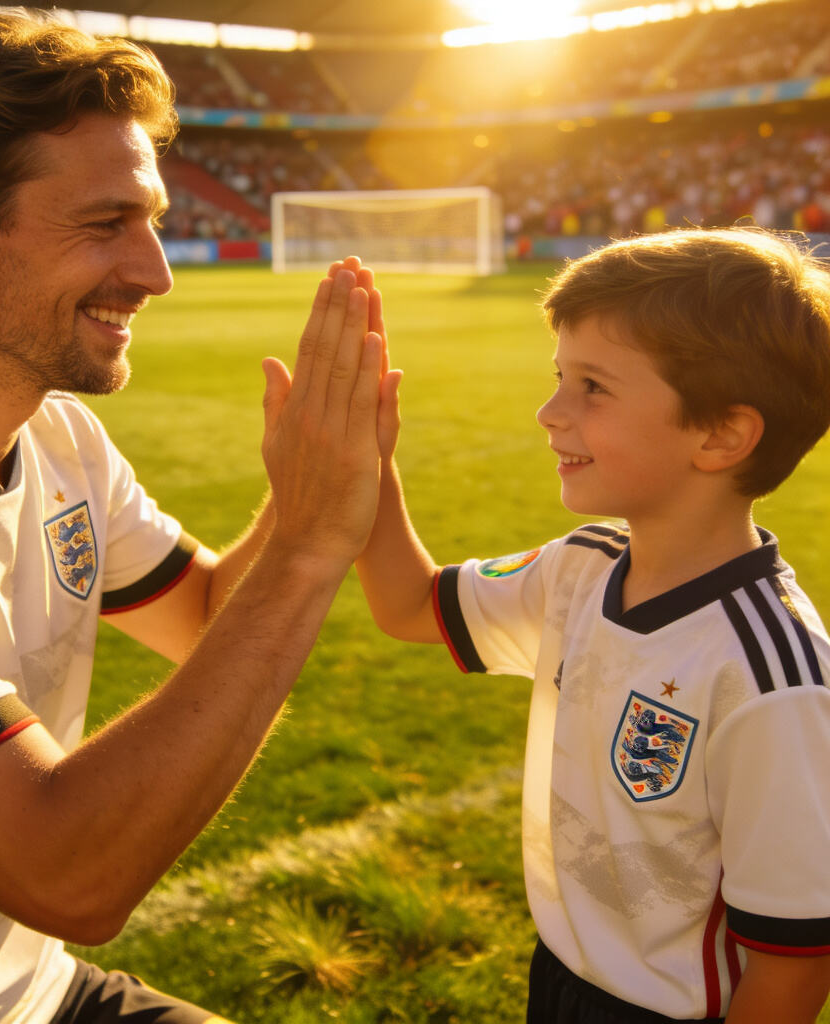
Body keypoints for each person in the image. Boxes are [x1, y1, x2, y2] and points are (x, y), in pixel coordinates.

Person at [0, 12, 388, 1024]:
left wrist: (307, 499)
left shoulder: (63, 439)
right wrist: (303, 552)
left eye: (154, 219)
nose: (156, 270)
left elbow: (206, 617)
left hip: (36, 993)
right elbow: (65, 870)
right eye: (105, 222)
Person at [356, 227, 830, 1022]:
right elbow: (409, 607)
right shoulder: (581, 566)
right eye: (559, 379)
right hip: (561, 976)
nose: (549, 412)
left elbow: (793, 961)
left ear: (720, 435)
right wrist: (365, 464)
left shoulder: (770, 679)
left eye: (593, 388)